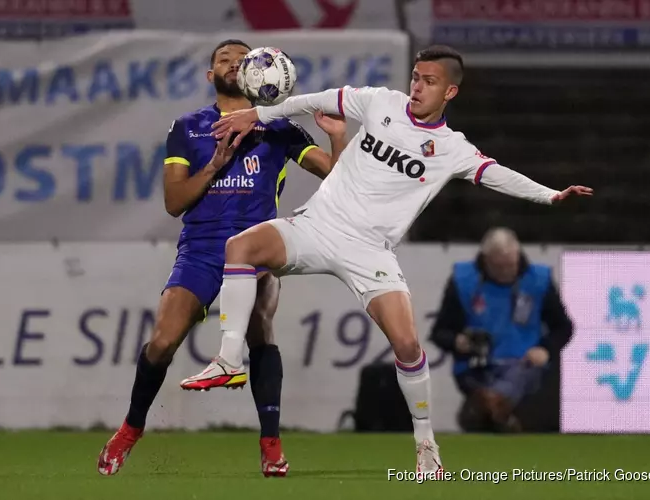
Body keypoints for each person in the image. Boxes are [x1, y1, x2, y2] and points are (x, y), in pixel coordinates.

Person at [182, 44, 592, 473]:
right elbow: (313, 100)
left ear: (450, 92)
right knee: (240, 247)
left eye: (429, 82)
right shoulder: (380, 102)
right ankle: (229, 360)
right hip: (317, 226)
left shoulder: (452, 148)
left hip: (369, 252)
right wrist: (259, 114)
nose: (417, 86)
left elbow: (496, 175)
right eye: (415, 77)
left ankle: (426, 446)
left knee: (408, 344)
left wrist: (550, 195)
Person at [97, 39, 348, 477]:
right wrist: (215, 164)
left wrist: (338, 135)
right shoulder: (189, 127)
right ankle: (130, 430)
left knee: (261, 333)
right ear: (210, 75)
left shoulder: (279, 126)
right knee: (162, 341)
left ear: (257, 70)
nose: (233, 64)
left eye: (242, 58)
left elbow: (336, 176)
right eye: (222, 60)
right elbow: (174, 202)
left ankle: (271, 445)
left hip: (257, 246)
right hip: (202, 248)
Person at [430, 227, 574, 432]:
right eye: (499, 267)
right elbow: (440, 332)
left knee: (519, 373)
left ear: (518, 255)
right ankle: (497, 410)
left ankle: (489, 404)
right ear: (486, 260)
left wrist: (545, 349)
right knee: (485, 382)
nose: (506, 272)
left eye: (510, 265)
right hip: (476, 365)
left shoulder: (538, 280)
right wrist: (457, 342)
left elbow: (563, 327)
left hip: (522, 362)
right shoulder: (463, 281)